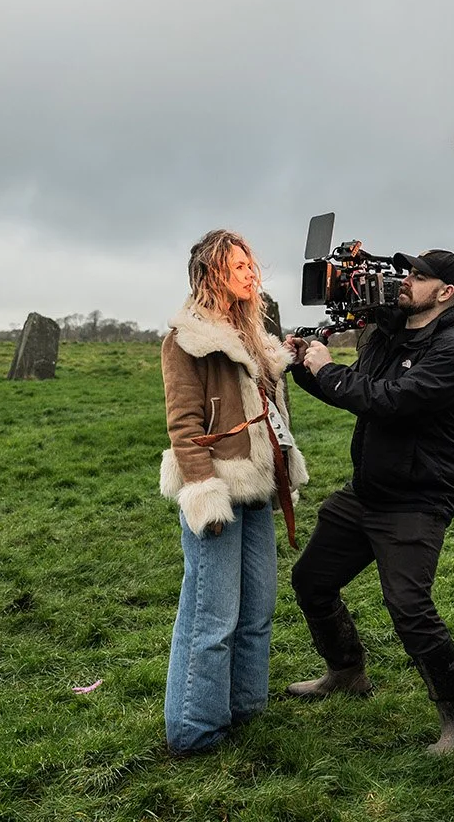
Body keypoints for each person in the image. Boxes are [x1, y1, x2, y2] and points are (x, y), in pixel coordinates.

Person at [283, 249, 454, 754]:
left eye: (418, 276)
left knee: (410, 608)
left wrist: (329, 371)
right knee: (311, 580)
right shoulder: (389, 335)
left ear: (445, 292)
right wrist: (306, 364)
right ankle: (346, 672)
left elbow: (387, 402)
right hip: (367, 491)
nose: (404, 281)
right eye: (406, 272)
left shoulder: (451, 353)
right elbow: (353, 392)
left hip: (417, 499)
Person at [159, 229, 310, 755]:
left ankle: (243, 712)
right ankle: (196, 731)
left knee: (257, 609)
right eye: (239, 265)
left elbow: (267, 398)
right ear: (212, 273)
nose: (251, 272)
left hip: (257, 487)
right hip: (218, 489)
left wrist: (288, 353)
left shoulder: (250, 334)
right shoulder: (187, 339)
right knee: (212, 616)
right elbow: (184, 427)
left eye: (251, 264)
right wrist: (204, 493)